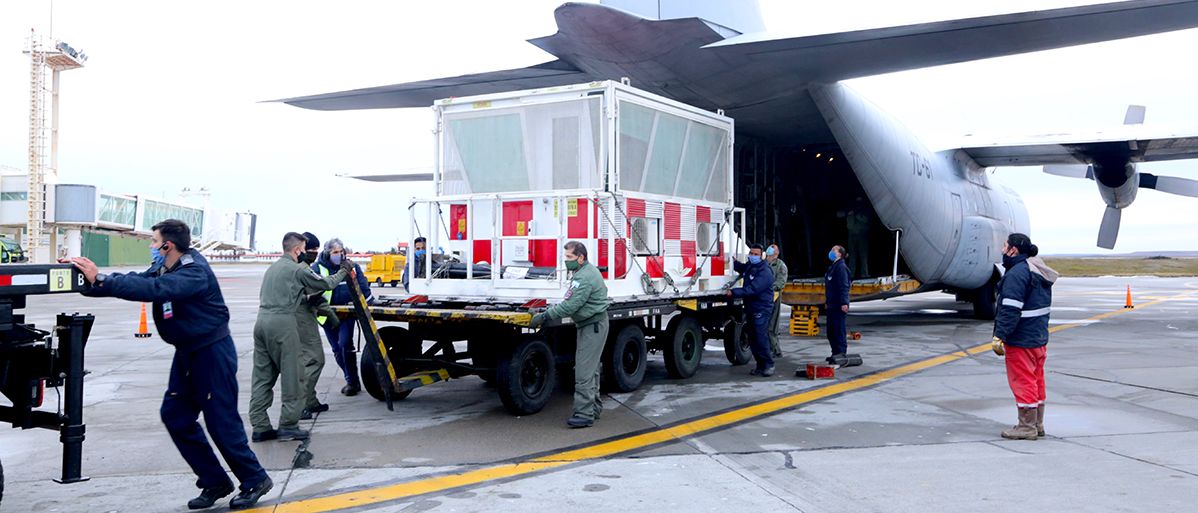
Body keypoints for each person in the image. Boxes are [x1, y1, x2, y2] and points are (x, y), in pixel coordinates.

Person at [66, 219, 273, 510]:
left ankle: (255, 479)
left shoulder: (193, 271)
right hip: (187, 353)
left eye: (154, 242)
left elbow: (157, 289)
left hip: (211, 353)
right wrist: (90, 283)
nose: (151, 247)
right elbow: (142, 281)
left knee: (220, 421)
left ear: (168, 245)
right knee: (175, 415)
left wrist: (102, 279)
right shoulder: (166, 266)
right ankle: (214, 480)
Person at [248, 232, 348, 443]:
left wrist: (307, 299)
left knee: (262, 377)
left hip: (261, 323)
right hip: (283, 324)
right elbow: (326, 284)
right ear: (296, 250)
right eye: (304, 249)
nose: (306, 253)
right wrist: (344, 272)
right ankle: (288, 425)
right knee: (294, 375)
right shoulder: (296, 269)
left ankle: (260, 426)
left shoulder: (272, 269)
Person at [529, 241, 610, 428]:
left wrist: (544, 316)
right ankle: (594, 408)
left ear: (581, 257)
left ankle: (584, 414)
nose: (567, 261)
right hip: (591, 324)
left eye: (570, 257)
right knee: (592, 370)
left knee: (584, 371)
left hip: (593, 326)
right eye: (566, 257)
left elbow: (571, 305)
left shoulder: (584, 277)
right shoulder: (584, 272)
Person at [992, 233, 1058, 440]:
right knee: (1036, 379)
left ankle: (1026, 427)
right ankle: (1037, 423)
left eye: (1005, 246)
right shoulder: (1037, 270)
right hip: (1037, 337)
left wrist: (999, 336)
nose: (1002, 250)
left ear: (1014, 250)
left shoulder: (1016, 274)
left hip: (1021, 339)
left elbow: (1011, 309)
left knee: (1023, 380)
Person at [313, 238, 372, 396]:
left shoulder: (352, 267)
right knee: (337, 349)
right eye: (335, 252)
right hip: (327, 315)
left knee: (345, 344)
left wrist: (365, 308)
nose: (339, 255)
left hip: (347, 315)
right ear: (327, 253)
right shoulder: (317, 268)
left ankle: (352, 381)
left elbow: (364, 289)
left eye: (341, 252)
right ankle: (351, 378)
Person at [297, 232, 334, 420]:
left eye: (316, 249)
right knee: (316, 360)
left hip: (303, 319)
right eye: (311, 249)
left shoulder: (301, 267)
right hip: (301, 320)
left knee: (306, 362)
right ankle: (302, 403)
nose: (314, 252)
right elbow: (325, 285)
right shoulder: (302, 269)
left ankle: (310, 401)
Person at [727, 243, 775, 376]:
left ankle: (768, 364)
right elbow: (742, 268)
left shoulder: (765, 271)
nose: (753, 256)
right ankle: (760, 365)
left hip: (762, 308)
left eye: (756, 254)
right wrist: (734, 262)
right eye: (751, 254)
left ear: (762, 256)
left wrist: (734, 292)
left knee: (761, 337)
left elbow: (753, 289)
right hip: (751, 308)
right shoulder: (750, 266)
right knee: (752, 338)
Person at [825, 245, 851, 363]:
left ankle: (840, 354)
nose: (831, 251)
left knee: (838, 330)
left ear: (840, 254)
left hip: (838, 305)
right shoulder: (833, 267)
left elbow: (844, 286)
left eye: (834, 250)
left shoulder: (841, 268)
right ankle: (835, 353)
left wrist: (844, 303)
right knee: (831, 331)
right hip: (831, 304)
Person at [766, 244, 789, 358]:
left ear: (777, 253)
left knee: (772, 325)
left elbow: (781, 282)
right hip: (763, 297)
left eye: (772, 248)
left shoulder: (780, 266)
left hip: (773, 297)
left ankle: (775, 350)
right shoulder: (764, 263)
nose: (769, 249)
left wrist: (768, 288)